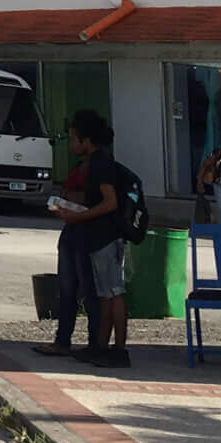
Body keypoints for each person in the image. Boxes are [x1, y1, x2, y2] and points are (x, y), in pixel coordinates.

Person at [54, 110, 140, 367]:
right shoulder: (96, 162)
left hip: (106, 237)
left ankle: (118, 349)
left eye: (73, 139)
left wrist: (80, 217)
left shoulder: (100, 163)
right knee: (105, 295)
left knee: (113, 293)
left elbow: (110, 202)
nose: (71, 144)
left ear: (86, 140)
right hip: (98, 237)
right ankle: (100, 346)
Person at [33, 147, 92, 358]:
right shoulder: (77, 168)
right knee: (66, 292)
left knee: (89, 292)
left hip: (88, 235)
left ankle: (94, 344)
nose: (72, 144)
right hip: (71, 232)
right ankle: (62, 340)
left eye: (75, 138)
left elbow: (93, 199)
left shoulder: (101, 169)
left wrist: (72, 198)